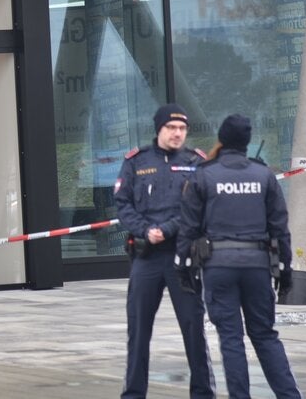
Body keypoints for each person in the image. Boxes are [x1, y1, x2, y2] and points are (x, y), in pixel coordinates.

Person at [176, 114, 301, 399]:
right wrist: (286, 269)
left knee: (231, 339)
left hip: (218, 267)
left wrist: (183, 267)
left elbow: (189, 227)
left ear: (221, 138)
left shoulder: (204, 174)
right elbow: (280, 227)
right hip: (258, 267)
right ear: (247, 142)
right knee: (265, 335)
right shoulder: (264, 175)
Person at [114, 104, 215, 399]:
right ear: (159, 129)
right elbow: (123, 204)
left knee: (193, 327)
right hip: (147, 257)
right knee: (138, 330)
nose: (177, 133)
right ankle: (133, 393)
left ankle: (203, 392)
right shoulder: (136, 161)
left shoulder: (196, 162)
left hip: (183, 256)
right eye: (171, 128)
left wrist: (167, 229)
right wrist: (145, 230)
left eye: (182, 129)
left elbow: (199, 207)